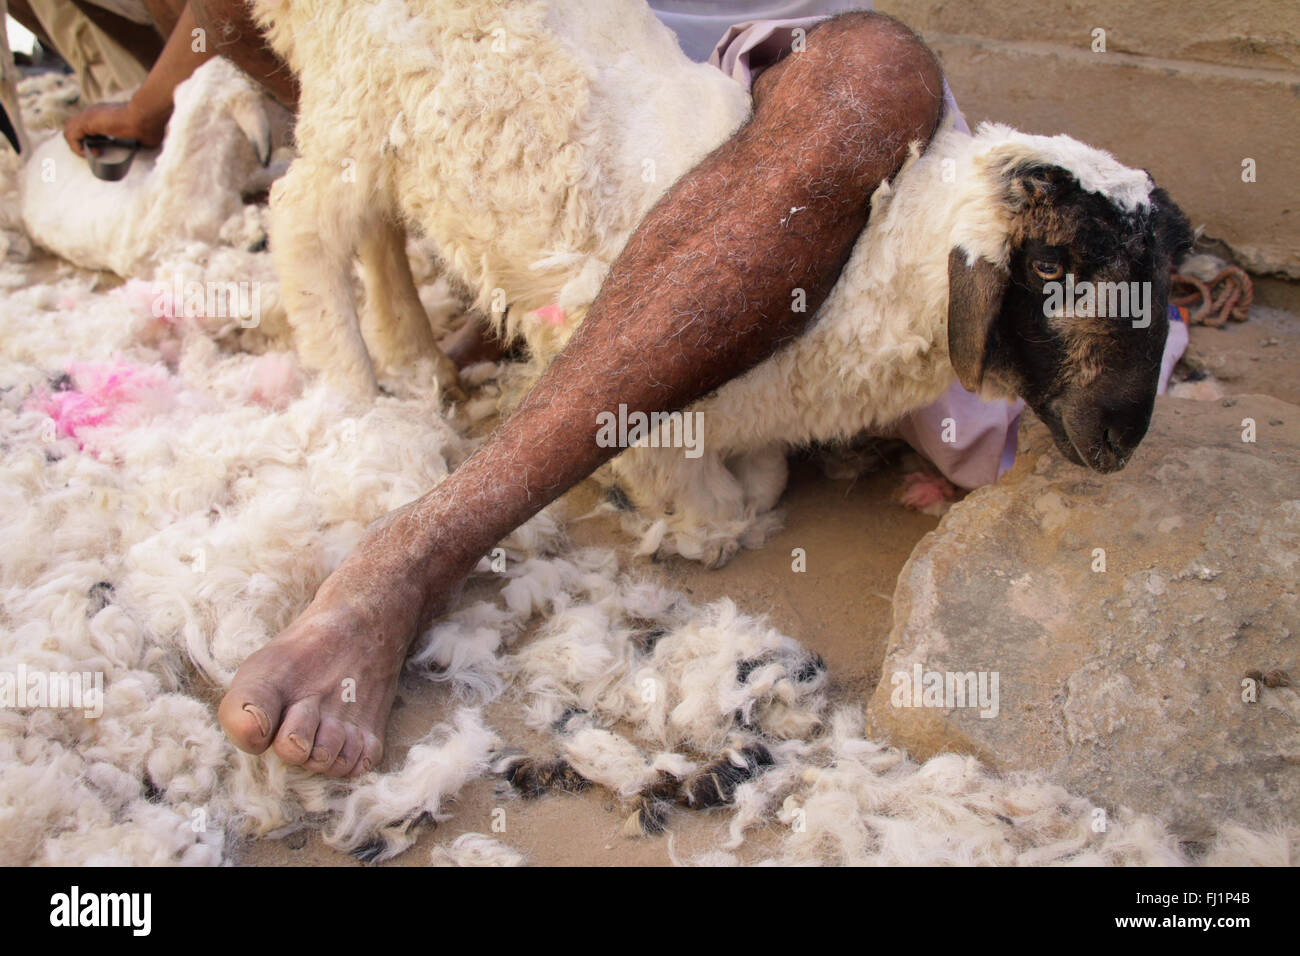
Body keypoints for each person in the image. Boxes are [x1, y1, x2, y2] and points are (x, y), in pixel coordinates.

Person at [28, 0, 1019, 775]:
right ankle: (419, 546)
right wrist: (360, 98)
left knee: (880, 70)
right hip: (564, 62)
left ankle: (563, 373)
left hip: (773, 77)